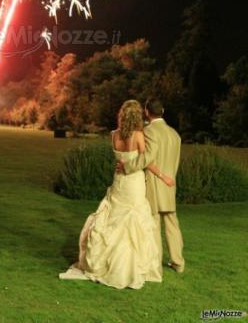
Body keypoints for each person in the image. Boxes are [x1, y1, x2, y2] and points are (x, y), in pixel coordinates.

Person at [58, 99, 175, 289]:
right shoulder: (138, 135)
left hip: (119, 183)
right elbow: (146, 161)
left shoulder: (114, 135)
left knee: (113, 217)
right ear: (137, 116)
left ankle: (105, 263)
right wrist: (164, 177)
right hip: (134, 183)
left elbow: (122, 158)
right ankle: (130, 267)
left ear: (122, 116)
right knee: (133, 220)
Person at [116, 97, 185, 274]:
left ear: (147, 112)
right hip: (170, 184)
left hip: (155, 183)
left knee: (153, 222)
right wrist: (169, 179)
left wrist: (128, 166)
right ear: (163, 111)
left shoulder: (149, 132)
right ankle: (178, 262)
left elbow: (148, 158)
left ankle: (155, 263)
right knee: (172, 224)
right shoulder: (175, 135)